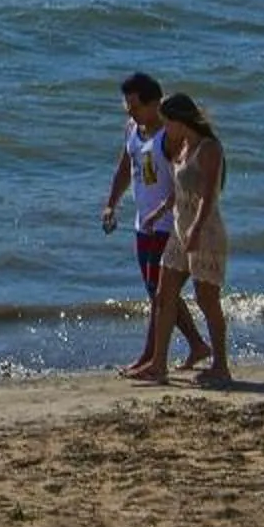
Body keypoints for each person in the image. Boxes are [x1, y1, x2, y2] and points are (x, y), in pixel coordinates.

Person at [102, 73, 208, 371]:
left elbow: (184, 180)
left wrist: (165, 211)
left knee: (160, 293)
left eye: (135, 107)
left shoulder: (170, 136)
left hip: (167, 224)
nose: (131, 113)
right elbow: (126, 166)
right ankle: (192, 346)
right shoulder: (132, 130)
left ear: (155, 104)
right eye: (128, 108)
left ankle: (155, 356)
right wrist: (111, 203)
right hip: (143, 224)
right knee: (156, 292)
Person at [127, 92, 231, 385]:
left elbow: (209, 195)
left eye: (167, 122)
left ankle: (221, 365)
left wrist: (196, 229)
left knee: (206, 299)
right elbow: (179, 191)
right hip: (178, 228)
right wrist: (157, 211)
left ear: (180, 121)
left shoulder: (209, 148)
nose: (165, 129)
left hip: (204, 231)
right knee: (163, 295)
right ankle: (158, 365)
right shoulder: (183, 147)